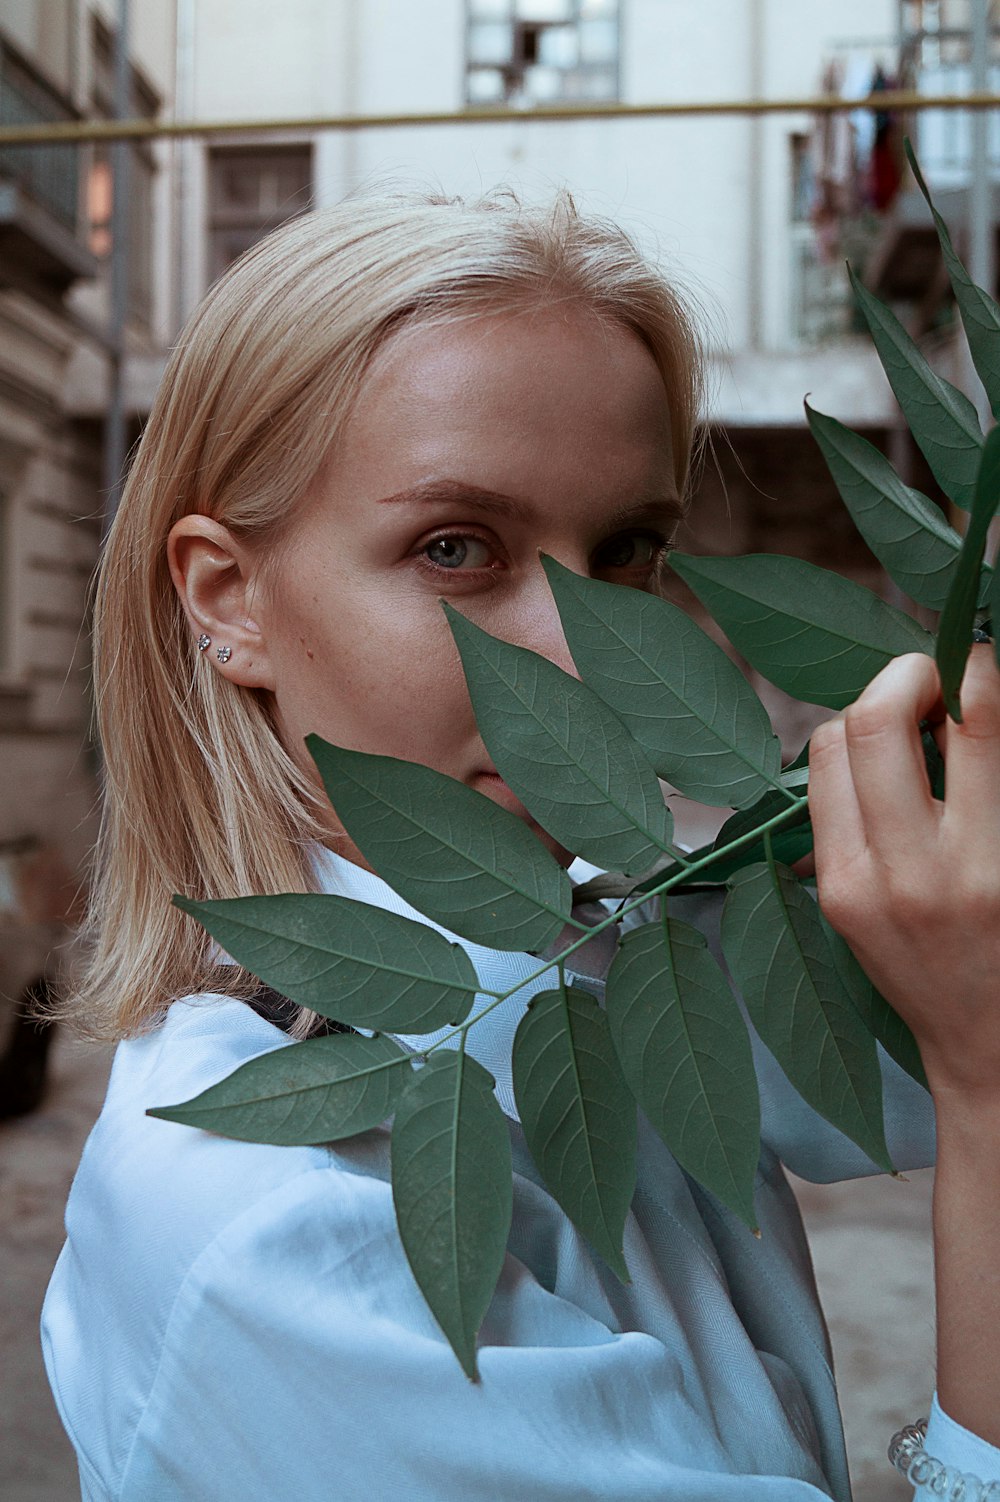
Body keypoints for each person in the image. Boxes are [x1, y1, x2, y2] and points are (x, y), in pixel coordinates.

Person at [39, 188, 1000, 1501]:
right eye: (456, 548)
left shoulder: (603, 936)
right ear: (228, 599)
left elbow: (870, 1045)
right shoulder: (261, 1225)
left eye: (627, 554)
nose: (580, 654)